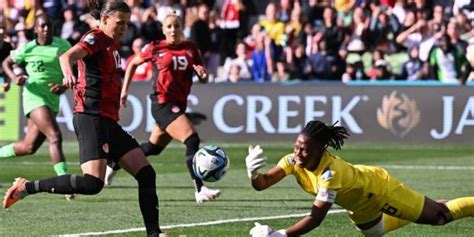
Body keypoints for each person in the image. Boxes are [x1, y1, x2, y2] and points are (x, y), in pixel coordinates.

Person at [3, 1, 162, 236]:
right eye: (120, 23)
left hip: (108, 120)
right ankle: (26, 187)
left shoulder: (112, 43)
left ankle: (154, 233)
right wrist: (68, 74)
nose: (124, 28)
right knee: (92, 184)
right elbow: (67, 56)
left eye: (127, 24)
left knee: (146, 173)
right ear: (105, 19)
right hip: (91, 117)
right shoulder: (96, 37)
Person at [246, 120, 474, 237]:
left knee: (440, 218)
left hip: (379, 190)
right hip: (357, 203)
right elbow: (262, 184)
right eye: (296, 147)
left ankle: (437, 208)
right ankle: (429, 206)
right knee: (375, 232)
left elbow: (316, 218)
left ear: (320, 150)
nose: (297, 153)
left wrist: (282, 234)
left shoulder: (330, 172)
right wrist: (253, 174)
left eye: (304, 149)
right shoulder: (293, 161)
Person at [112, 11, 219, 204]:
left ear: (182, 29)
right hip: (162, 103)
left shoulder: (191, 49)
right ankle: (199, 189)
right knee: (192, 139)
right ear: (163, 29)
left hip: (178, 105)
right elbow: (132, 64)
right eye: (169, 26)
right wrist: (124, 90)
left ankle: (115, 162)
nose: (173, 30)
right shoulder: (155, 47)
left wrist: (203, 74)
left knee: (153, 148)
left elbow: (204, 78)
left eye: (176, 26)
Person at [0, 14, 73, 200]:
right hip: (34, 96)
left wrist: (64, 85)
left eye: (48, 26)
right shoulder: (28, 48)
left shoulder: (63, 46)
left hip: (52, 99)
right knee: (55, 136)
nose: (46, 29)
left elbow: (77, 70)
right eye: (42, 26)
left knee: (28, 147)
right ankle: (64, 181)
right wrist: (15, 77)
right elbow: (6, 62)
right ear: (36, 29)